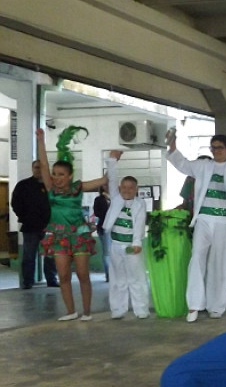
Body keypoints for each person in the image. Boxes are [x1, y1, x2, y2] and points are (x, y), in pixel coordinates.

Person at [166, 132, 226, 322]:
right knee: (197, 258)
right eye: (213, 147)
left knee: (220, 262)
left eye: (220, 147)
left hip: (224, 221)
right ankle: (194, 305)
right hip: (203, 218)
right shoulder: (204, 165)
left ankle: (216, 306)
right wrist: (172, 146)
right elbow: (183, 164)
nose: (216, 151)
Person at [36, 127, 107, 321]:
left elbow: (102, 180)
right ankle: (70, 311)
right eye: (54, 174)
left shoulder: (78, 187)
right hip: (59, 237)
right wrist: (41, 142)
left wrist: (113, 161)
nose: (56, 178)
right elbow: (43, 164)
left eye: (60, 174)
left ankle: (87, 311)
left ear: (69, 176)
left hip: (79, 235)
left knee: (83, 274)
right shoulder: (51, 189)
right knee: (64, 275)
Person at [104, 151, 149, 319]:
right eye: (124, 187)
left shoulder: (139, 204)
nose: (127, 190)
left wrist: (137, 243)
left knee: (136, 278)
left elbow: (139, 223)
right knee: (117, 279)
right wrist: (113, 160)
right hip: (115, 245)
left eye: (131, 188)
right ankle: (118, 309)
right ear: (119, 188)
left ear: (136, 189)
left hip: (132, 246)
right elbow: (112, 178)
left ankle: (141, 309)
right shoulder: (115, 198)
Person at [11, 159, 58, 289]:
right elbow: (15, 203)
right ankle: (27, 281)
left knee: (50, 256)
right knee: (28, 256)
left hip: (49, 227)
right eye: (36, 167)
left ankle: (51, 279)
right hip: (30, 227)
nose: (38, 170)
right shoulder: (23, 185)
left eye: (40, 167)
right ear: (32, 169)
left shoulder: (51, 186)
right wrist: (24, 217)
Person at [93, 183, 111, 282]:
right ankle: (109, 274)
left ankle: (116, 274)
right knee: (107, 252)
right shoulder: (99, 199)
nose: (107, 187)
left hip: (116, 228)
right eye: (104, 185)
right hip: (104, 227)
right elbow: (97, 213)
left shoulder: (116, 198)